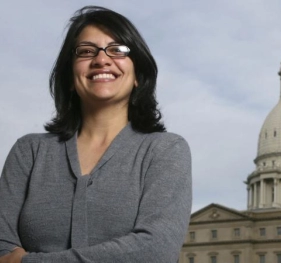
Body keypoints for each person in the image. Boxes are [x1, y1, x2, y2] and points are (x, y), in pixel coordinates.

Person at [0, 6, 192, 263]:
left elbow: (156, 250)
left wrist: (25, 261)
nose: (102, 59)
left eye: (118, 49)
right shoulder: (29, 151)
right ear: (69, 76)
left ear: (138, 75)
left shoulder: (166, 150)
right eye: (86, 51)